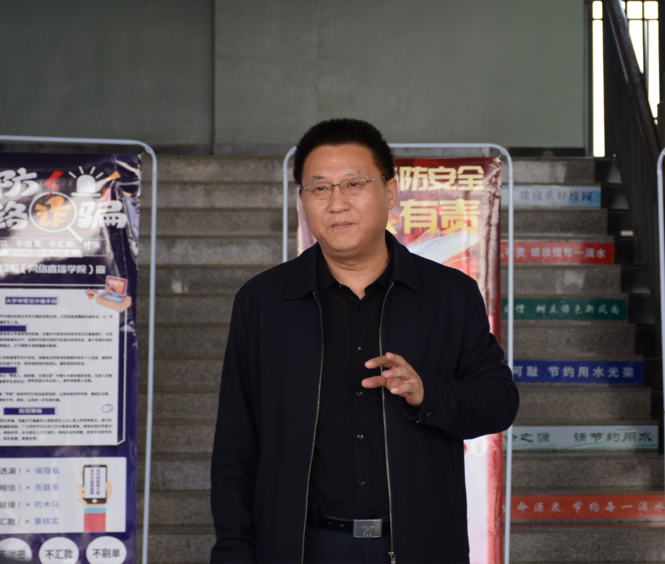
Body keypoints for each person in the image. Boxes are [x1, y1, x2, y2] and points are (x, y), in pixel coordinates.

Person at [209, 118, 519, 564]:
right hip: (303, 546)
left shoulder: (449, 295)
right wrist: (235, 551)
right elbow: (235, 445)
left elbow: (499, 403)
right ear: (302, 201)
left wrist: (428, 393)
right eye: (320, 188)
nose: (337, 203)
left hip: (419, 544)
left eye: (354, 184)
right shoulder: (263, 303)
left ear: (390, 192)